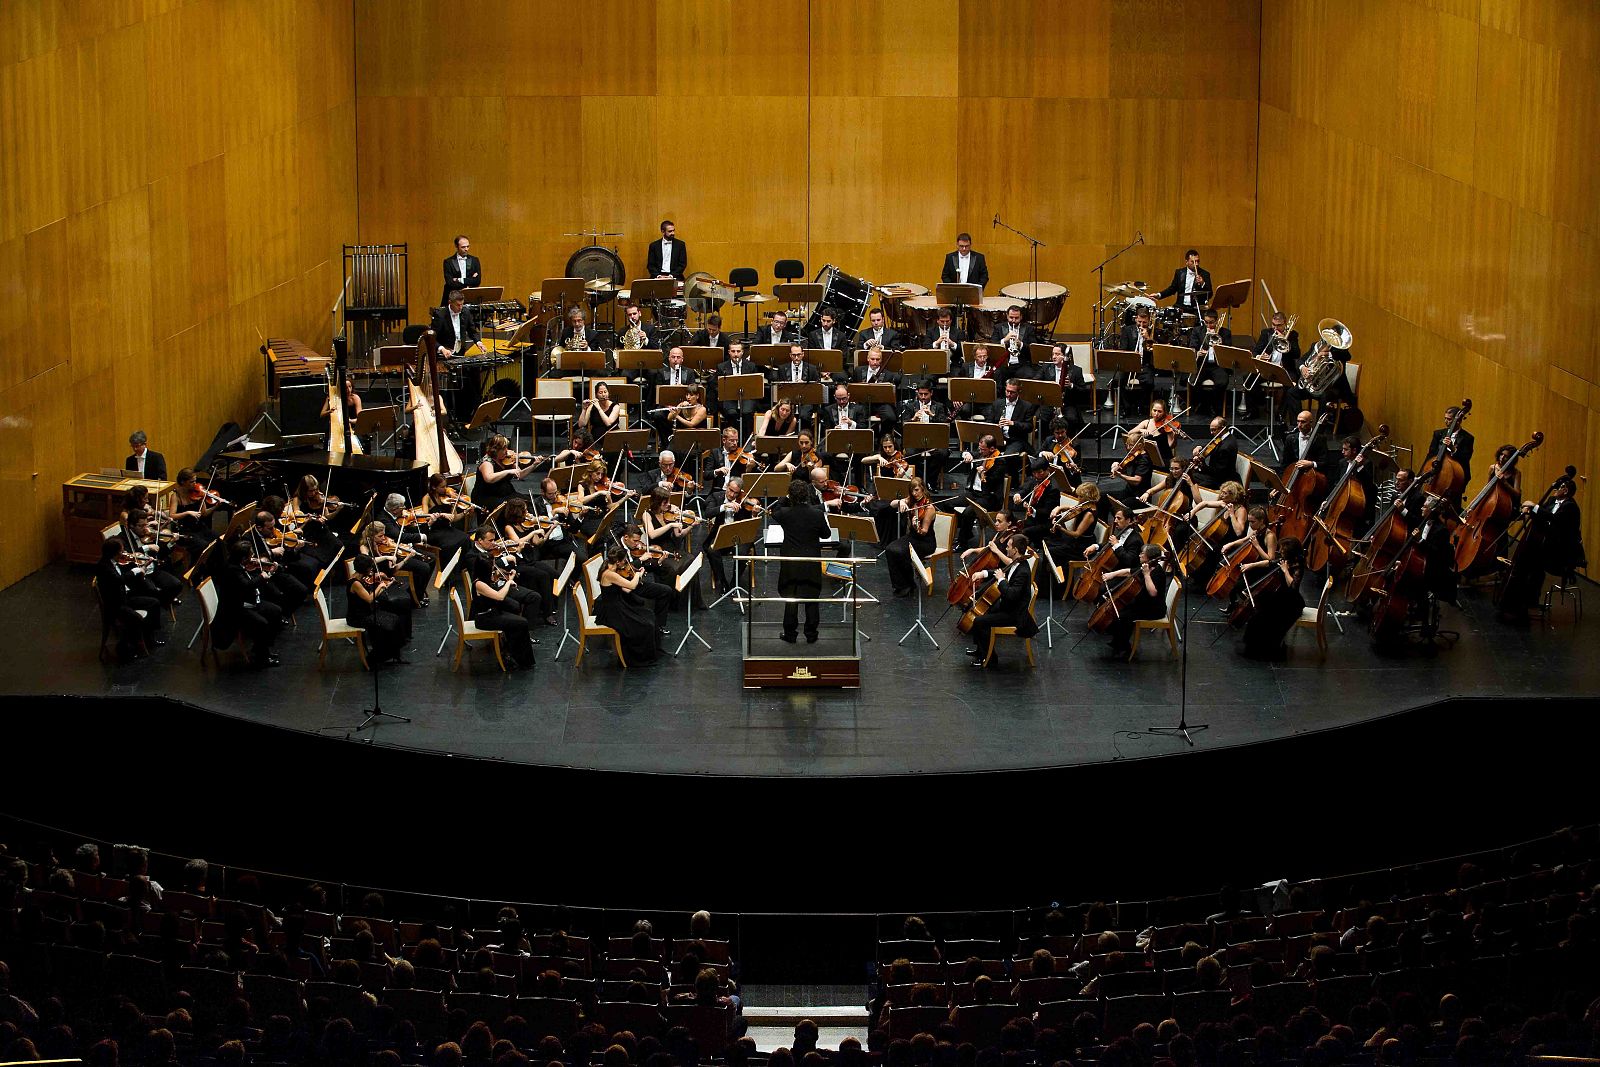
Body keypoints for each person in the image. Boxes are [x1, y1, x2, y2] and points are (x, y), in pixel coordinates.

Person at [467, 527, 536, 670]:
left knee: (519, 621)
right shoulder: (479, 583)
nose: (494, 569)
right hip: (484, 617)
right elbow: (499, 596)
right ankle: (516, 657)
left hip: (492, 612)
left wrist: (508, 577)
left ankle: (517, 655)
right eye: (491, 568)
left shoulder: (486, 578)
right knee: (520, 622)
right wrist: (509, 583)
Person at [964, 535, 1038, 667]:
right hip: (1008, 607)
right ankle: (981, 650)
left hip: (1014, 614)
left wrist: (1001, 580)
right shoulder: (1016, 562)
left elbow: (1011, 595)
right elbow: (1002, 572)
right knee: (981, 612)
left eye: (1008, 546)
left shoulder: (1023, 571)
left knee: (979, 621)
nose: (1006, 548)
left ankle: (989, 659)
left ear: (1015, 550)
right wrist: (984, 573)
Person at [770, 479, 829, 643]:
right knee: (811, 598)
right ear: (807, 495)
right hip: (811, 561)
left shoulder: (785, 513)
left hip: (790, 561)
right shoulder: (817, 513)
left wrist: (785, 497)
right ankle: (811, 634)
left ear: (791, 496)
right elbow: (826, 535)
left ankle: (790, 634)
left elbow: (773, 510)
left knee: (791, 599)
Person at [214, 541, 286, 668]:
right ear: (243, 558)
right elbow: (247, 586)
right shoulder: (232, 570)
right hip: (235, 608)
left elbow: (245, 579)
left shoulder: (237, 565)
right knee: (261, 623)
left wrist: (254, 570)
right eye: (250, 555)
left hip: (246, 601)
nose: (253, 558)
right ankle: (262, 658)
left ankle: (262, 648)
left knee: (276, 611)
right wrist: (264, 575)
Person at [594, 544, 663, 665]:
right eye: (624, 561)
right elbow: (631, 586)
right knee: (645, 625)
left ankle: (654, 651)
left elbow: (627, 590)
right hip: (612, 612)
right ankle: (640, 658)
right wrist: (637, 575)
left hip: (619, 605)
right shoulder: (610, 574)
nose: (626, 563)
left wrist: (637, 575)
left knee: (649, 614)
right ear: (618, 562)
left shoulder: (613, 570)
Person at [1239, 535, 1307, 659]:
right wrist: (1251, 565)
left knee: (1267, 617)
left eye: (1282, 550)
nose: (1280, 551)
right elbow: (1270, 562)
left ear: (1290, 551)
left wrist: (1285, 571)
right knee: (1259, 614)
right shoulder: (1286, 559)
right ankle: (1253, 646)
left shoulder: (1298, 565)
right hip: (1281, 596)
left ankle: (1266, 649)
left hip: (1291, 602)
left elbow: (1293, 587)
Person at [96, 538, 164, 659]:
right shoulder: (103, 566)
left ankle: (149, 637)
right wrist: (135, 571)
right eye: (121, 551)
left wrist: (142, 568)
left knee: (154, 603)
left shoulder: (115, 562)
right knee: (136, 618)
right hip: (115, 605)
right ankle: (125, 649)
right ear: (114, 553)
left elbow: (124, 576)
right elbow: (119, 580)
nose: (124, 554)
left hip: (124, 598)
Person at [1100, 544, 1172, 657]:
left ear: (1149, 557)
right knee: (1122, 611)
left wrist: (1147, 575)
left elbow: (1153, 593)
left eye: (1142, 554)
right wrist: (1112, 574)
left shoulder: (1157, 572)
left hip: (1154, 609)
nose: (1139, 555)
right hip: (1144, 603)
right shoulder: (1146, 566)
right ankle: (1118, 642)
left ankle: (1124, 647)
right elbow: (1129, 571)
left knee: (1124, 616)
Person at [346, 554, 413, 666]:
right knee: (387, 625)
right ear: (364, 569)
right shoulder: (355, 583)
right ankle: (376, 658)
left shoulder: (360, 577)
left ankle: (394, 653)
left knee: (395, 619)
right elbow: (368, 599)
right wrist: (380, 586)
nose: (372, 569)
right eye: (370, 568)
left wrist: (378, 580)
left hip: (367, 612)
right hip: (359, 617)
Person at [884, 477, 938, 597]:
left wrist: (916, 526)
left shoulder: (929, 508)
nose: (915, 493)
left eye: (917, 490)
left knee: (901, 552)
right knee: (890, 549)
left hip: (925, 542)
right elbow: (891, 504)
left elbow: (923, 531)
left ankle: (909, 584)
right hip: (912, 537)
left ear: (923, 488)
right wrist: (900, 502)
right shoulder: (911, 500)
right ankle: (900, 584)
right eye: (912, 491)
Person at [1186, 308, 1232, 416]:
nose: (1208, 325)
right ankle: (1204, 404)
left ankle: (1214, 405)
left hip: (1217, 365)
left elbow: (1229, 351)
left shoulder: (1225, 333)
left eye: (1211, 322)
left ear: (1216, 321)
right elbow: (1192, 347)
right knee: (1193, 381)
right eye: (1206, 322)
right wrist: (1197, 353)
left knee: (1222, 382)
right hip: (1202, 363)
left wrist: (1219, 347)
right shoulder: (1197, 331)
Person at [1111, 306, 1157, 413]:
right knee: (1120, 380)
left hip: (1145, 364)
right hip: (1129, 364)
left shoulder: (1153, 331)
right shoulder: (1127, 330)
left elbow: (1158, 350)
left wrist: (1148, 338)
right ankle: (1126, 407)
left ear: (1149, 320)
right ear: (1136, 318)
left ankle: (1141, 405)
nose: (1141, 325)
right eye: (1139, 321)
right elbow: (1123, 349)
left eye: (1144, 322)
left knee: (1149, 382)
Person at [849, 346, 900, 433]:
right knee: (859, 418)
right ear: (868, 359)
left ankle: (882, 439)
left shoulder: (889, 375)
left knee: (890, 417)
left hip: (881, 404)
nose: (875, 362)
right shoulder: (858, 370)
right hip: (863, 402)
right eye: (872, 359)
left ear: (881, 360)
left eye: (877, 359)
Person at [715, 340, 763, 428]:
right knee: (731, 413)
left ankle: (746, 439)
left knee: (747, 413)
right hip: (729, 398)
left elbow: (755, 385)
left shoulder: (751, 366)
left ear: (742, 352)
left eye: (738, 351)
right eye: (733, 351)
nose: (735, 354)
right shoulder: (721, 367)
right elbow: (717, 386)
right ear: (729, 352)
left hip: (747, 398)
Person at [1426, 404, 1476, 488]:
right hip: (1437, 472)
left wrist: (1453, 448)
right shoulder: (1438, 434)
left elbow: (1466, 458)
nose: (1446, 421)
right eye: (1445, 418)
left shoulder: (1468, 438)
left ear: (1458, 421)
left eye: (1449, 419)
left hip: (1455, 476)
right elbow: (1431, 454)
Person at [1154, 248, 1212, 315]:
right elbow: (1172, 289)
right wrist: (1158, 295)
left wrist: (1202, 283)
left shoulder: (1205, 274)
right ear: (1186, 262)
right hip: (1181, 307)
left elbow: (1210, 294)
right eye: (1193, 262)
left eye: (1197, 261)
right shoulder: (1179, 273)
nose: (1196, 264)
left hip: (1195, 309)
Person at [986, 378, 1035, 455]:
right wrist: (996, 426)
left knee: (1007, 456)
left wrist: (1013, 423)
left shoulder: (1027, 406)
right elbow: (989, 422)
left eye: (1012, 392)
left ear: (1019, 392)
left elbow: (1029, 427)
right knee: (983, 450)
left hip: (1016, 440)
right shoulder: (997, 404)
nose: (1008, 394)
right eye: (1007, 391)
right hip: (998, 439)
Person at [1189, 416, 1238, 489]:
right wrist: (1200, 447)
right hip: (1215, 475)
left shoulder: (1226, 447)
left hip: (1221, 480)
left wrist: (1202, 464)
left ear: (1222, 428)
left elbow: (1218, 472)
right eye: (1211, 430)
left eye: (1214, 430)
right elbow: (1212, 446)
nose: (1211, 433)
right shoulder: (1224, 438)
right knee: (1189, 475)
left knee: (1191, 482)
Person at [430, 289, 481, 356]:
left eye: (462, 304)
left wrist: (478, 342)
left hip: (460, 352)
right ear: (450, 302)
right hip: (444, 354)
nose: (460, 307)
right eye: (457, 305)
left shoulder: (466, 312)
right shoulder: (440, 315)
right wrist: (442, 349)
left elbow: (472, 331)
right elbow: (432, 338)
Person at [441, 234, 481, 306]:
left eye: (468, 246)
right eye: (463, 247)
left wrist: (459, 280)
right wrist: (469, 281)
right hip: (453, 298)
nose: (466, 249)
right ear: (456, 246)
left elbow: (477, 281)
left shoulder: (475, 260)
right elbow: (450, 282)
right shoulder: (448, 262)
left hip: (470, 299)